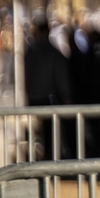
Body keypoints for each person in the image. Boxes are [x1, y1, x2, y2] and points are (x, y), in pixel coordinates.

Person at [24, 13, 73, 158]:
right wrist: (67, 97)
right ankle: (50, 161)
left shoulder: (29, 53)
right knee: (51, 135)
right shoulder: (54, 53)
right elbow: (61, 77)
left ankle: (36, 160)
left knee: (34, 134)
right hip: (49, 99)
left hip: (33, 100)